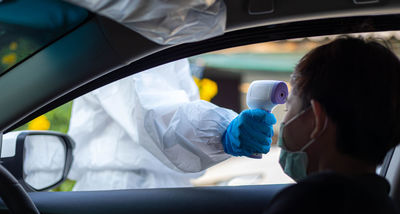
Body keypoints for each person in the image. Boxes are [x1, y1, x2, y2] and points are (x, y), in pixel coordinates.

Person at [214, 37, 400, 214]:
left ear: (317, 118)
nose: (282, 121)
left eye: (288, 107)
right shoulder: (384, 210)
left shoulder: (311, 205)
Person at [68, 58, 276, 190]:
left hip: (149, 188)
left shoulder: (166, 47)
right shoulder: (127, 43)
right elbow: (151, 113)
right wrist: (222, 132)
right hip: (122, 189)